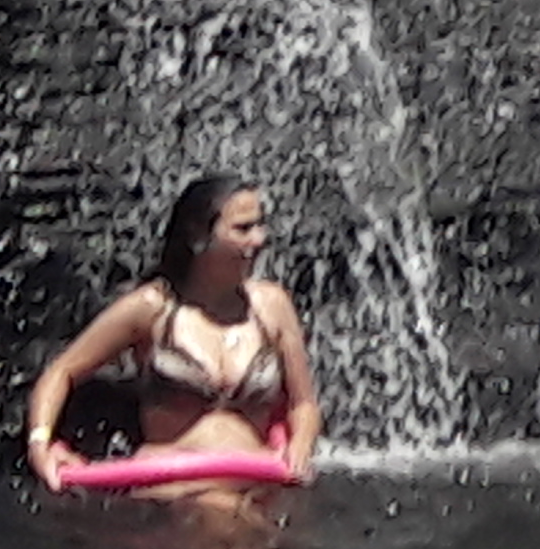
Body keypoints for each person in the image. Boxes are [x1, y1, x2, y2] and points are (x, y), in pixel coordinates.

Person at [24, 173, 322, 497]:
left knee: (230, 513)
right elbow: (62, 371)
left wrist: (300, 444)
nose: (259, 239)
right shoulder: (151, 308)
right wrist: (41, 444)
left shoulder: (273, 306)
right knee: (217, 511)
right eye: (243, 229)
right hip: (171, 491)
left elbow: (303, 403)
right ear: (196, 235)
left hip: (255, 484)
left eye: (260, 225)